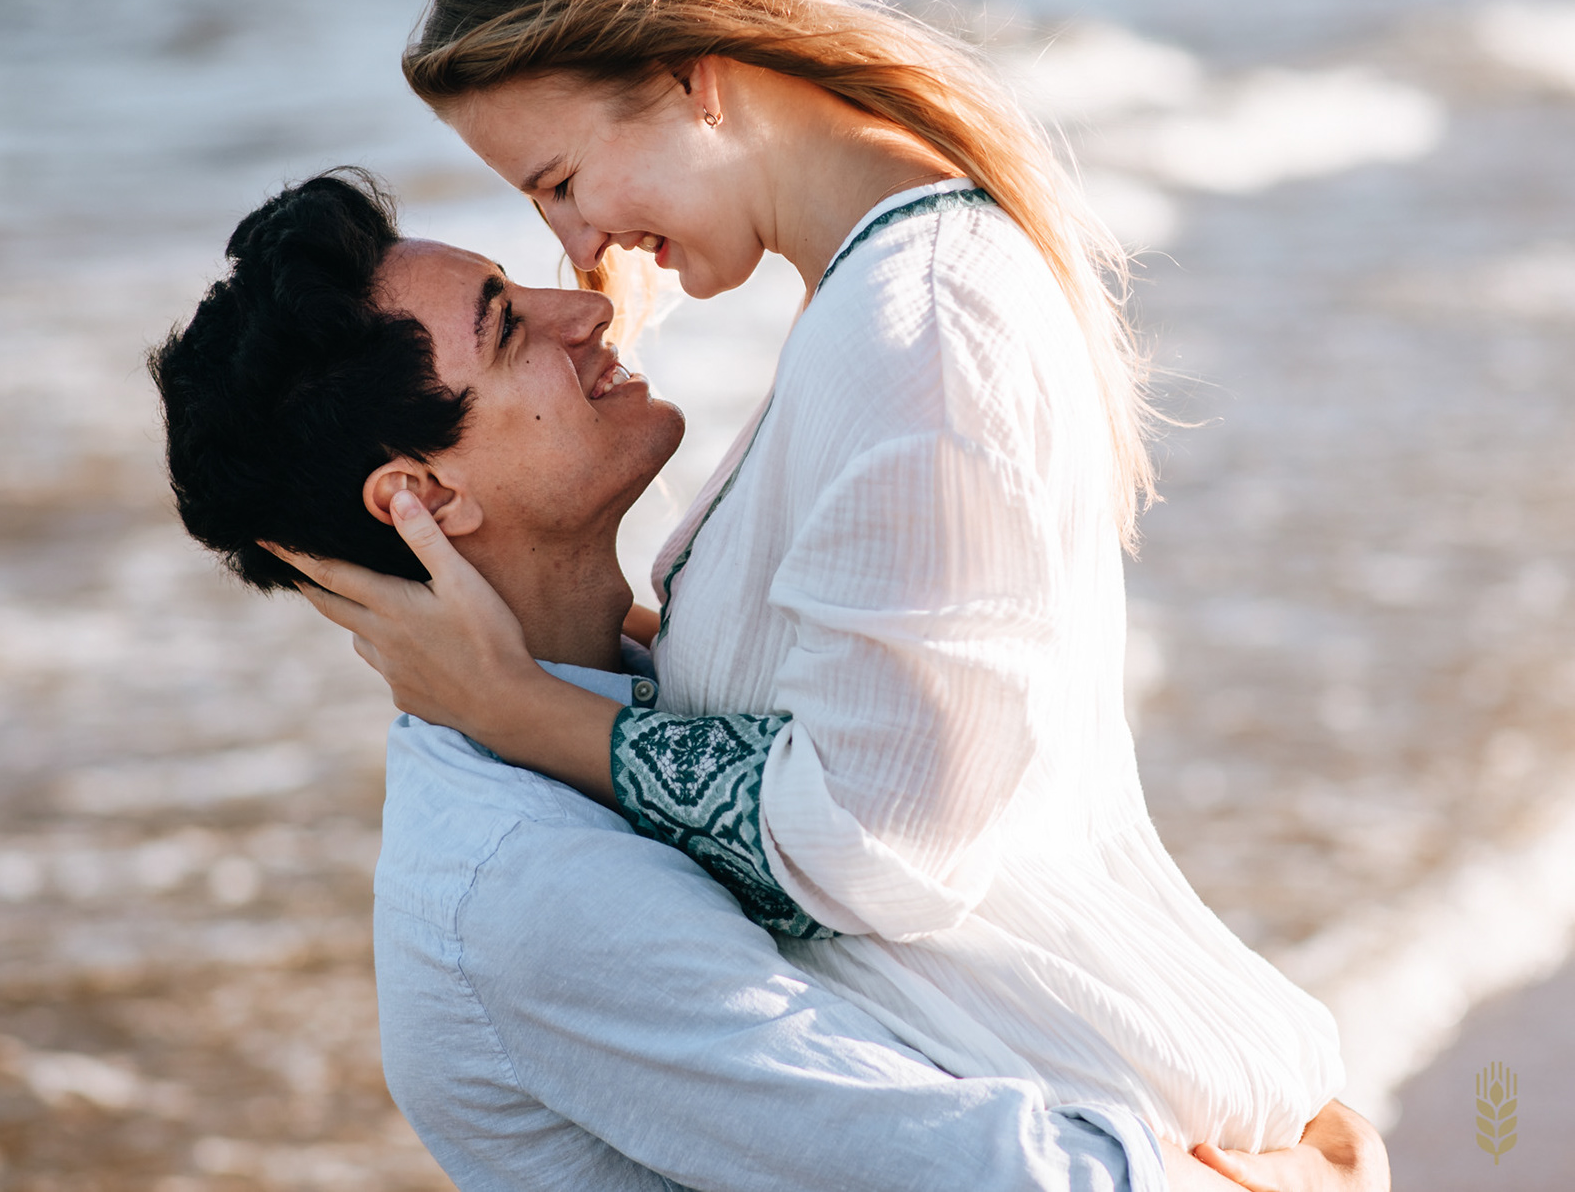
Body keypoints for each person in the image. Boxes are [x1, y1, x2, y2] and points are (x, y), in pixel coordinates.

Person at [279, 0, 1357, 1166]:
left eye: (560, 183)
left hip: (1157, 1138)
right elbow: (864, 704)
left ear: (693, 78)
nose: (579, 254)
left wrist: (526, 710)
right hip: (1120, 1111)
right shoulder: (884, 301)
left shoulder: (919, 329)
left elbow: (873, 849)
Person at [148, 171, 1386, 1191]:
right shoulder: (521, 887)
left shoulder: (650, 678)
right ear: (422, 499)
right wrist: (1296, 1174)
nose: (585, 310)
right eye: (510, 326)